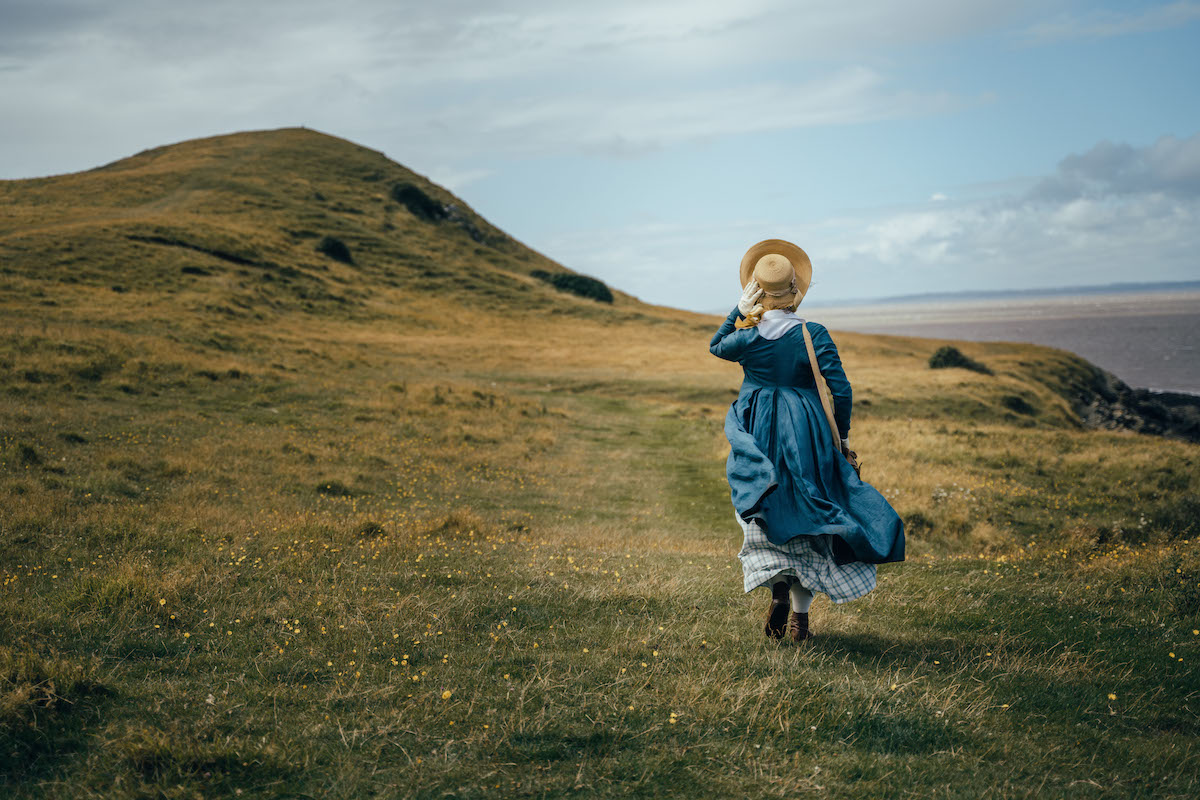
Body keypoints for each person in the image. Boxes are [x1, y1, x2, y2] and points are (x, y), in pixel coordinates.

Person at [709, 239, 905, 643]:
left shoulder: (747, 337)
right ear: (796, 290)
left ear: (756, 291)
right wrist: (843, 435)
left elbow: (716, 345)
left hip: (758, 426)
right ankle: (800, 619)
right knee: (813, 518)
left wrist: (739, 312)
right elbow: (842, 390)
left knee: (763, 503)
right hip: (808, 431)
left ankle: (777, 584)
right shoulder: (812, 334)